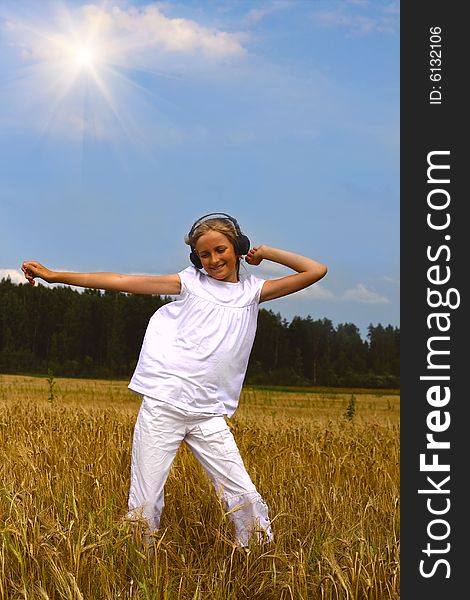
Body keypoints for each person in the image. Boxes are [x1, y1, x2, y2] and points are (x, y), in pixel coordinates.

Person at [22, 212, 327, 547]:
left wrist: (266, 252)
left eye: (221, 249)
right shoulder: (191, 282)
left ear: (238, 247)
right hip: (164, 404)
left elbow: (315, 271)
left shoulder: (253, 292)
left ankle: (258, 562)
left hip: (208, 413)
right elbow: (121, 281)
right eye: (204, 255)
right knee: (146, 502)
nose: (213, 259)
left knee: (244, 498)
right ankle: (139, 567)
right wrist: (56, 276)